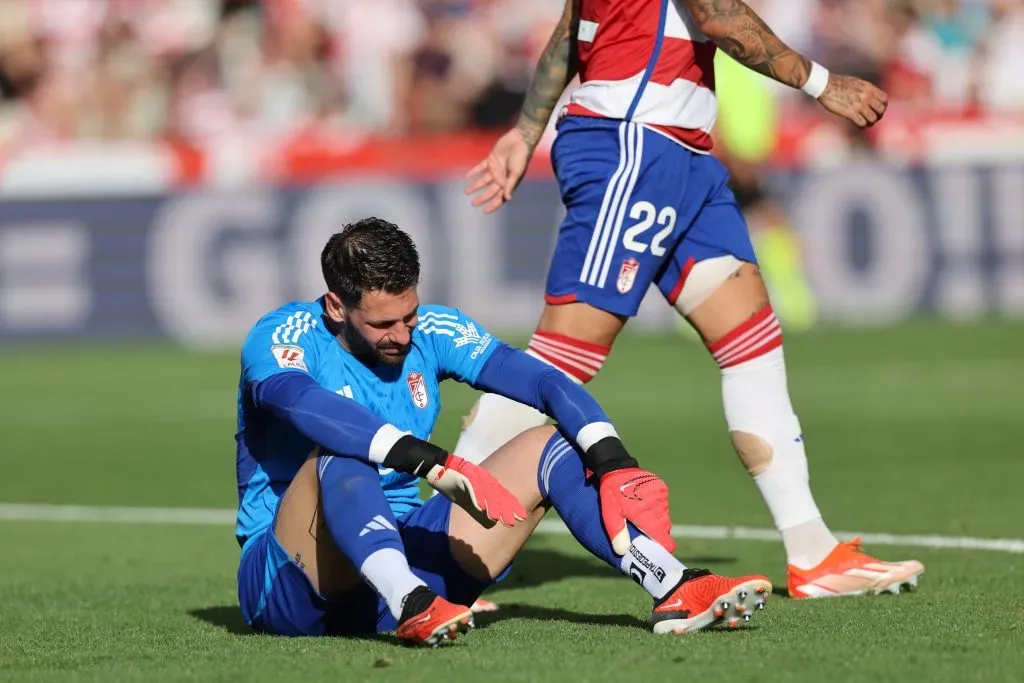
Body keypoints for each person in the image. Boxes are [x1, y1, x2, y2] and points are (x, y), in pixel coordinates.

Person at [457, 0, 924, 600]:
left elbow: (574, 31)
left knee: (752, 342)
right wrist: (822, 82)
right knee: (561, 357)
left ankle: (813, 552)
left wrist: (526, 131)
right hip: (634, 144)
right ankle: (432, 547)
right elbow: (718, 15)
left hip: (682, 153)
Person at [233, 217, 772, 646]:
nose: (401, 336)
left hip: (407, 554)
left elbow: (541, 381)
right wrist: (429, 461)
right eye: (381, 324)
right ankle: (411, 605)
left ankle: (673, 585)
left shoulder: (434, 330)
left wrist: (614, 460)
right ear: (336, 307)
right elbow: (301, 403)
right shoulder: (282, 335)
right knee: (340, 451)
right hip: (292, 582)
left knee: (550, 445)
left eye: (410, 316)